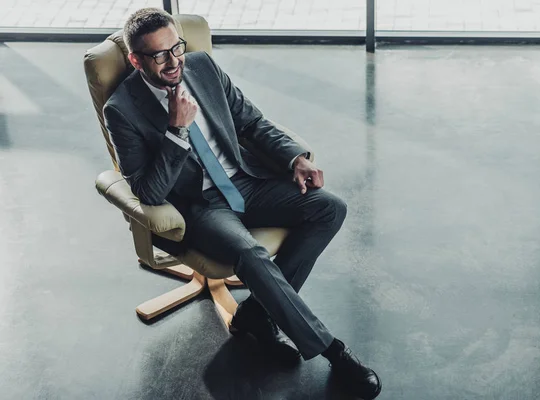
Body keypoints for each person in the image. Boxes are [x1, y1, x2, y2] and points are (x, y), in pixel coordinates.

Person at [103, 7, 381, 399]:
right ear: (135, 59)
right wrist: (176, 130)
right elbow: (148, 191)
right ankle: (334, 352)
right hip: (201, 206)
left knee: (330, 207)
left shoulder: (203, 68)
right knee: (251, 256)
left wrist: (294, 158)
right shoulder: (121, 109)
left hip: (246, 180)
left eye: (175, 48)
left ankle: (255, 314)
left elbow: (250, 122)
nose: (172, 61)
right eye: (158, 55)